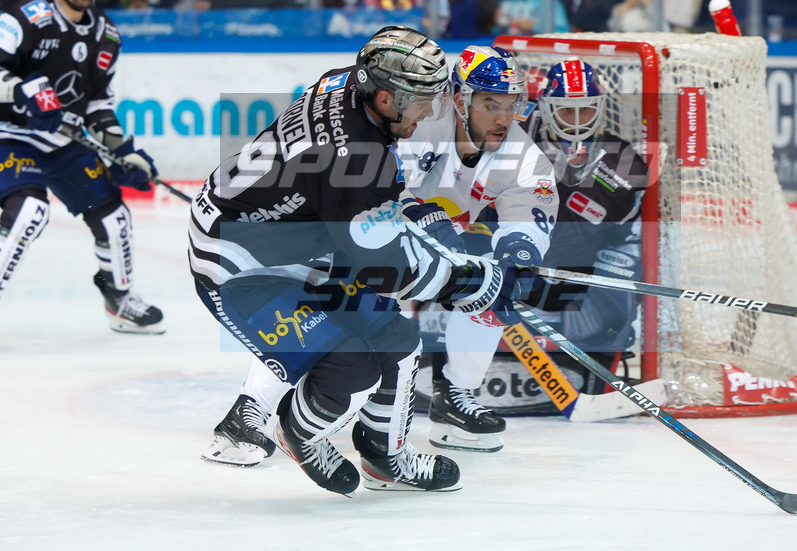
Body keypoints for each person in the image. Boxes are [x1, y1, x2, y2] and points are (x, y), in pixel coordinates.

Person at [191, 26, 533, 494]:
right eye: (422, 101)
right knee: (351, 365)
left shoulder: (347, 82)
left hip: (296, 242)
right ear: (388, 97)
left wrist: (413, 209)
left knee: (398, 337)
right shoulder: (349, 157)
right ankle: (299, 430)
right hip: (239, 267)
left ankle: (384, 455)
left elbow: (371, 187)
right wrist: (469, 284)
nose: (431, 111)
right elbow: (386, 268)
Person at [0, 0, 164, 355]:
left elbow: (99, 105)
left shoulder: (107, 35)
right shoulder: (27, 17)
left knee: (114, 218)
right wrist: (21, 91)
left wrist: (123, 151)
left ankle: (118, 301)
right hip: (9, 135)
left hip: (63, 142)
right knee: (30, 211)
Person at [400, 46, 558, 453]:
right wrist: (414, 212)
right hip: (378, 230)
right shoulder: (420, 121)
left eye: (512, 105)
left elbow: (529, 215)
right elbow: (376, 188)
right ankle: (259, 404)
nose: (504, 118)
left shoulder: (523, 155)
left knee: (494, 284)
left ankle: (455, 398)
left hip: (442, 242)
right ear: (460, 99)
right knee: (350, 295)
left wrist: (520, 253)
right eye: (491, 104)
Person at [523, 58, 647, 364]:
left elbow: (610, 232)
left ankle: (598, 360)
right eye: (566, 110)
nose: (577, 120)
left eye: (586, 110)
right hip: (528, 263)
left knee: (620, 268)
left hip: (588, 270)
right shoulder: (520, 137)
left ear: (600, 108)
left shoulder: (624, 163)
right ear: (548, 108)